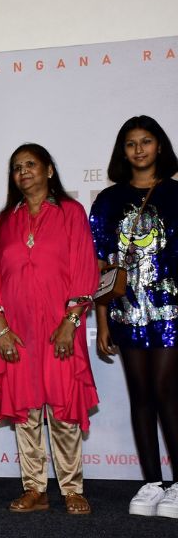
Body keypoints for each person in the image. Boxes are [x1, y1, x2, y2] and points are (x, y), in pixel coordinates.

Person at [0, 143, 99, 515]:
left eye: (31, 164)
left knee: (63, 409)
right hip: (17, 331)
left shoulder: (70, 213)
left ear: (49, 170)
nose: (23, 172)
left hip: (60, 327)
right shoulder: (5, 220)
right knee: (27, 412)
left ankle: (72, 489)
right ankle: (34, 489)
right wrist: (0, 329)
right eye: (17, 167)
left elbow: (84, 269)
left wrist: (70, 322)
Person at [89, 115, 178, 518]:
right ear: (122, 152)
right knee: (140, 394)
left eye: (146, 141)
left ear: (160, 146)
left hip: (170, 310)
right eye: (131, 143)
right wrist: (102, 320)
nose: (139, 149)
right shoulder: (108, 201)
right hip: (126, 312)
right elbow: (101, 267)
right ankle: (152, 482)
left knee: (166, 391)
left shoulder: (175, 195)